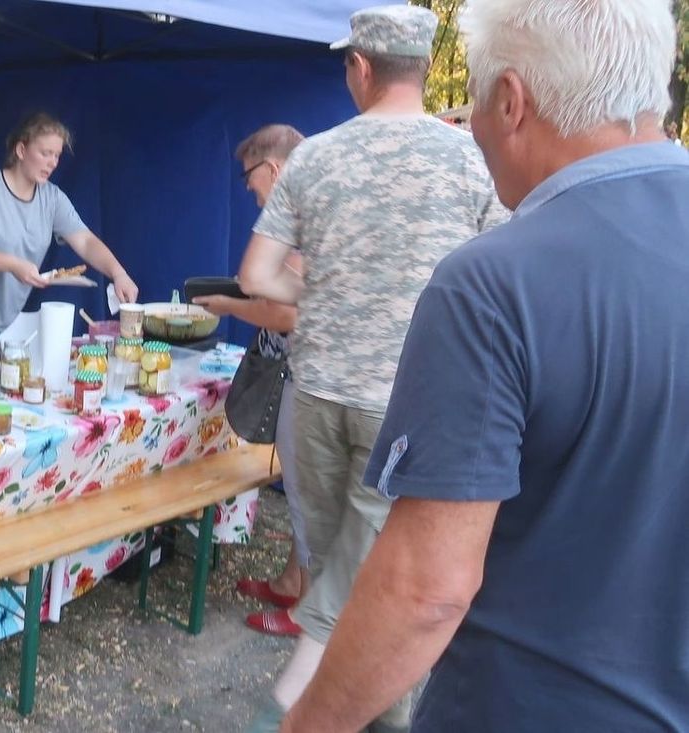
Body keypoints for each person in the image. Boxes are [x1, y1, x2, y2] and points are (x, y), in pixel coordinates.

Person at [278, 1, 689, 731]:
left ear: (510, 101)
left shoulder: (494, 284)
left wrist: (308, 721)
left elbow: (426, 588)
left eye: (473, 94)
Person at [237, 5, 506, 731]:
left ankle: (300, 702)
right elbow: (503, 277)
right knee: (370, 578)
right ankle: (374, 711)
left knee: (340, 566)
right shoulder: (471, 159)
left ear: (359, 67)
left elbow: (258, 275)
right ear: (420, 67)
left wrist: (322, 289)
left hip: (321, 393)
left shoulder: (316, 156)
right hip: (414, 404)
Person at [193, 124, 309, 636]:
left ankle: (308, 611)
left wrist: (228, 307)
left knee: (306, 491)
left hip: (306, 375)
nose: (247, 188)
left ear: (275, 169)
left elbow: (289, 317)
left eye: (250, 176)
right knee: (300, 482)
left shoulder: (301, 220)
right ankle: (290, 583)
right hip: (296, 371)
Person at [0, 112, 138, 346]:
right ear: (21, 151)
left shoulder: (52, 198)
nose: (53, 162)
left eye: (56, 155)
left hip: (9, 328)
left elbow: (85, 241)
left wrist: (119, 274)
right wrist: (13, 264)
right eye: (45, 153)